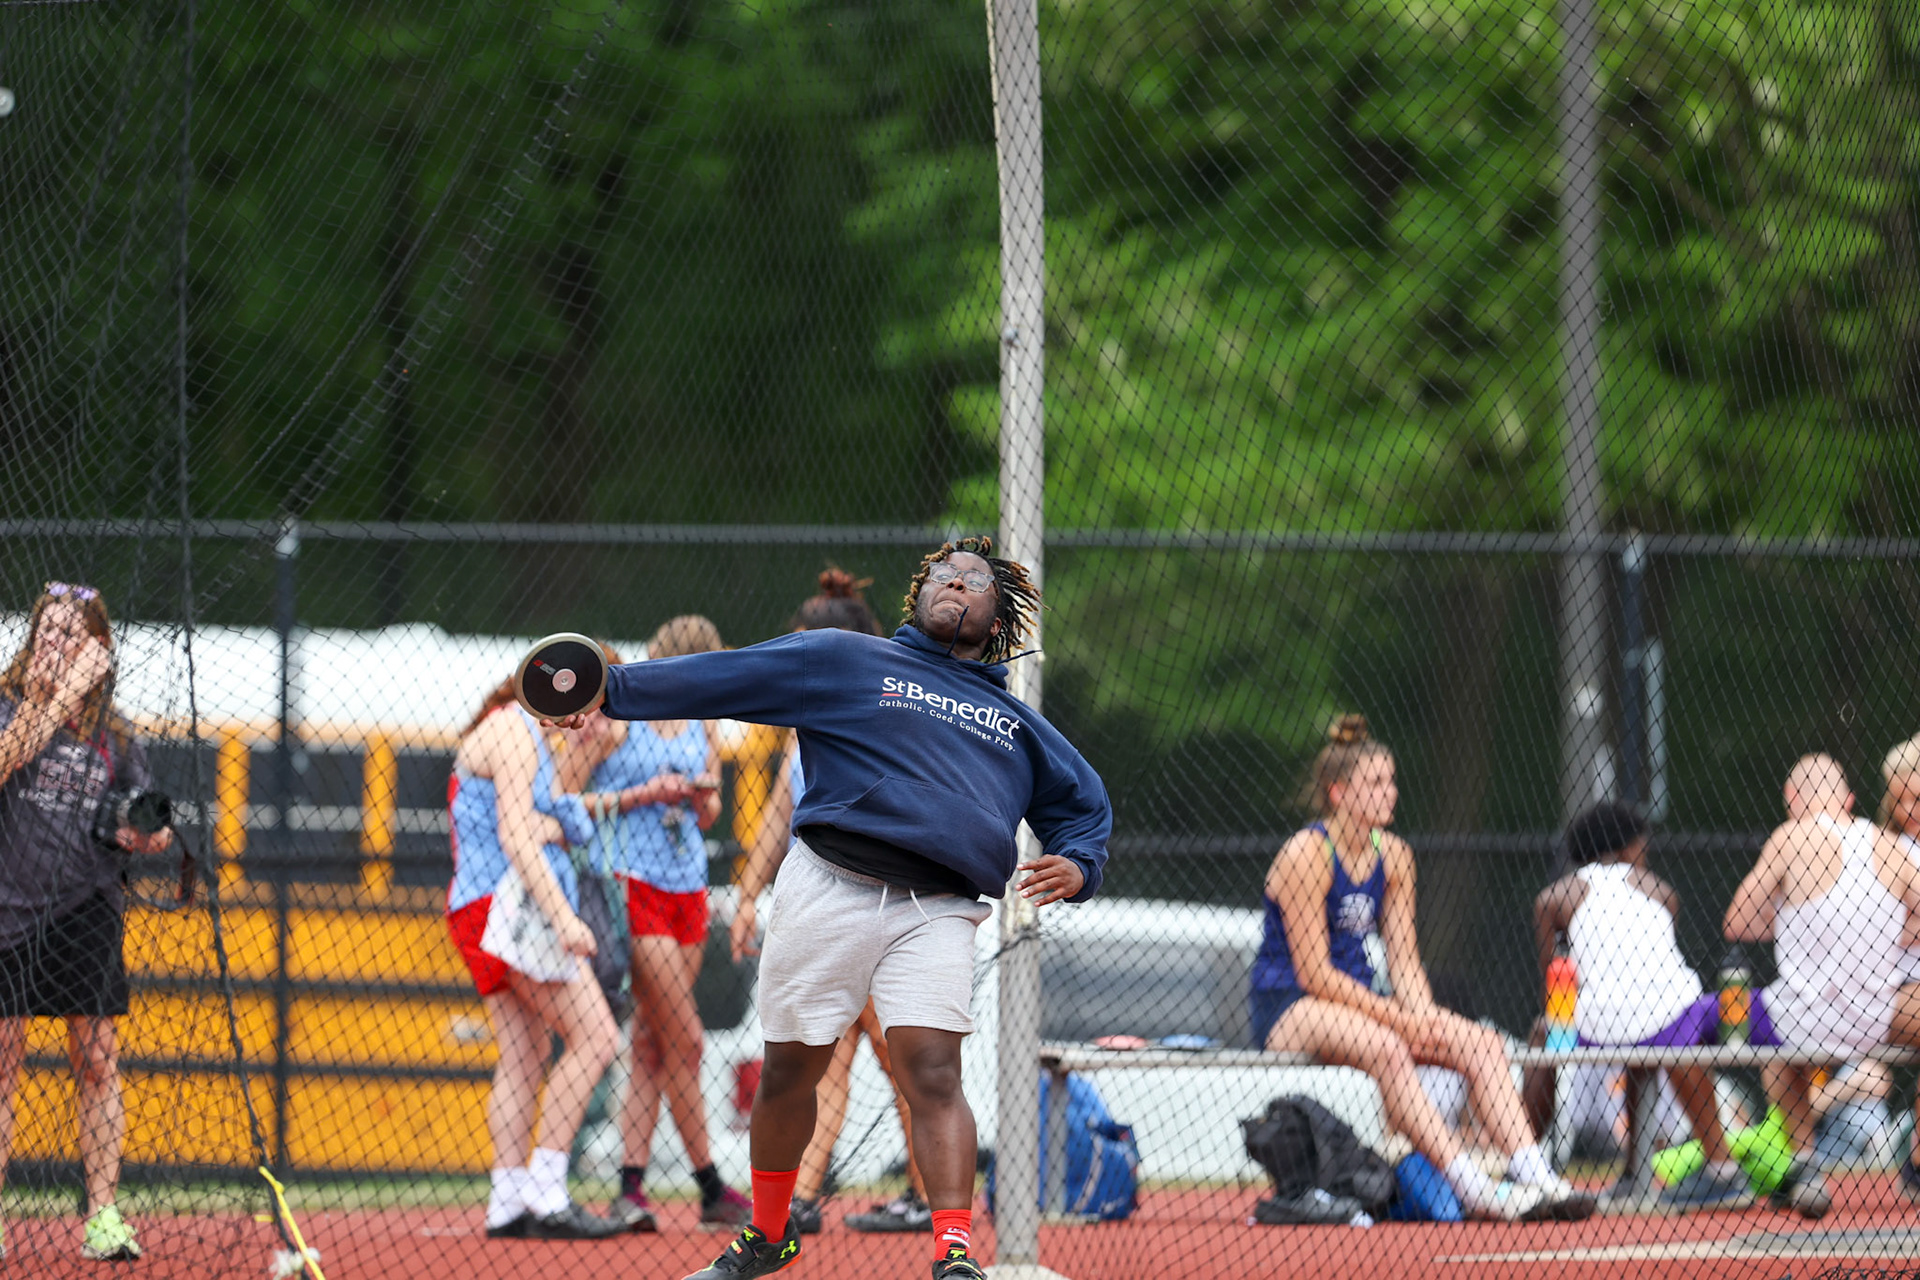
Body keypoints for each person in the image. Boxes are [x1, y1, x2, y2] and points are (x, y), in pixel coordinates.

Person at [552, 535, 1109, 1280]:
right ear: (917, 595)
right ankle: (769, 1236)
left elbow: (1085, 802)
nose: (957, 582)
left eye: (976, 580)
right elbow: (724, 676)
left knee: (934, 1070)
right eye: (945, 572)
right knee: (788, 1073)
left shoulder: (1013, 720)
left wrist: (1079, 860)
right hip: (827, 885)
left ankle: (954, 1256)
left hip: (939, 908)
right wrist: (609, 690)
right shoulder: (845, 659)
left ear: (997, 615)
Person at [1251, 715, 1593, 1222]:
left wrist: (1427, 1019)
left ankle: (1537, 1177)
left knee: (1479, 1042)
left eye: (1391, 781)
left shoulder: (1395, 855)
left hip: (1356, 1007)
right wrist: (1401, 1022)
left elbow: (1405, 962)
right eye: (1374, 783)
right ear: (1339, 793)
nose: (1390, 792)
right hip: (1290, 1008)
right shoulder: (1308, 853)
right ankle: (1475, 1189)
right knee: (1389, 1046)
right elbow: (1314, 974)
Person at [729, 569, 929, 1236]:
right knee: (826, 1055)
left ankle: (927, 1197)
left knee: (894, 1052)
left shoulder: (886, 717)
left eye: (804, 644)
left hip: (870, 905)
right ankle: (803, 1197)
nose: (795, 655)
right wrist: (748, 896)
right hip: (815, 908)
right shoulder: (802, 727)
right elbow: (776, 820)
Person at [0, 583, 173, 1261]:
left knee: (97, 1059)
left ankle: (102, 1215)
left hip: (86, 907)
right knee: (4, 1063)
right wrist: (61, 694)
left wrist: (145, 833)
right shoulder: (9, 705)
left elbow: (148, 819)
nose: (56, 643)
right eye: (48, 631)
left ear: (96, 649)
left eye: (72, 635)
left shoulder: (115, 734)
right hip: (8, 910)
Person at [585, 617, 750, 1231]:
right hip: (631, 881)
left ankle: (631, 1187)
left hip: (686, 884)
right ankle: (710, 1184)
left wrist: (701, 799)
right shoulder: (619, 714)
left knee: (652, 1044)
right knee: (686, 1038)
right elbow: (572, 794)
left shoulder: (702, 722)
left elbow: (709, 812)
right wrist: (642, 794)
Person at [446, 677, 623, 1239]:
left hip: (482, 907)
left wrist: (552, 826)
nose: (591, 723)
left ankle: (508, 1200)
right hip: (505, 908)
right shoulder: (513, 730)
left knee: (524, 1052)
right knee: (596, 1036)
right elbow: (518, 836)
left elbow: (533, 824)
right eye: (589, 708)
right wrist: (565, 919)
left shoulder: (523, 738)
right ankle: (547, 1193)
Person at [1723, 753, 1920, 1218]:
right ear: (1849, 801)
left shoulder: (1789, 837)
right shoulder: (1887, 844)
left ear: (1792, 801)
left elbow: (1739, 921)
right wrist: (1894, 931)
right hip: (1880, 1014)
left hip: (1803, 1017)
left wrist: (1792, 916)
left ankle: (1806, 1164)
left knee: (1769, 1038)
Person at [1528, 802, 1748, 1208]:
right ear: (1627, 847)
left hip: (1600, 1023)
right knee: (1658, 1028)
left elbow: (1552, 981)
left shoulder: (1553, 898)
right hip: (1673, 1015)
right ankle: (1720, 1168)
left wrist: (1560, 1020)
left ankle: (1523, 1161)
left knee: (1544, 1032)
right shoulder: (1661, 891)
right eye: (1641, 846)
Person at [1877, 734, 1920, 1199]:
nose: (1908, 807)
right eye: (1899, 796)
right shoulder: (1882, 847)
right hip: (1892, 987)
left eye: (1919, 797)